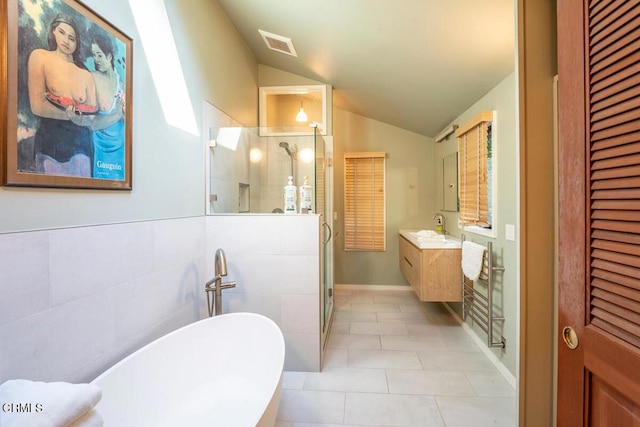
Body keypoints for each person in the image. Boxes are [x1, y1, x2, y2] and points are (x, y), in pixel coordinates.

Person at [27, 13, 97, 177]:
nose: (66, 40)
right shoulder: (40, 57)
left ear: (77, 43)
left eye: (72, 38)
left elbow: (92, 116)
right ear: (53, 31)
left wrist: (81, 118)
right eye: (62, 32)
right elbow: (37, 106)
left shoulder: (86, 75)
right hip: (50, 143)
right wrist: (70, 116)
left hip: (81, 146)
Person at [86, 34, 125, 180]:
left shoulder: (121, 83)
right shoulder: (92, 78)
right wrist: (117, 115)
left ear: (109, 56)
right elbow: (92, 123)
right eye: (93, 55)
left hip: (120, 145)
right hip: (102, 147)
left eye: (99, 55)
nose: (96, 59)